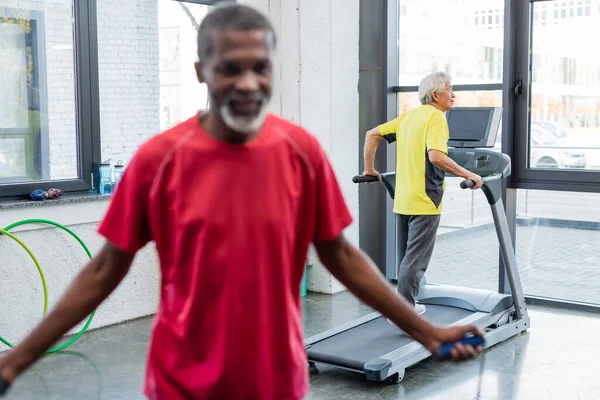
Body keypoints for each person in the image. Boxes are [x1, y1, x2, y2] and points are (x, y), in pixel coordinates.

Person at [0, 5, 483, 400]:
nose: (248, 82)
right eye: (230, 68)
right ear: (200, 71)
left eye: (261, 67)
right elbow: (105, 269)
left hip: (275, 382)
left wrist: (426, 332)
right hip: (180, 384)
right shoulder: (158, 160)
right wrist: (17, 360)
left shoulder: (301, 153)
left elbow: (341, 256)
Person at [362, 71, 484, 320]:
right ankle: (404, 310)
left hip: (404, 198)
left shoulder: (408, 117)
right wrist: (467, 174)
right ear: (436, 93)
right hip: (425, 200)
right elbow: (436, 157)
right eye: (450, 89)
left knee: (407, 257)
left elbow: (371, 134)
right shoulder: (437, 118)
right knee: (416, 261)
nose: (453, 94)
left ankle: (403, 303)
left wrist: (369, 169)